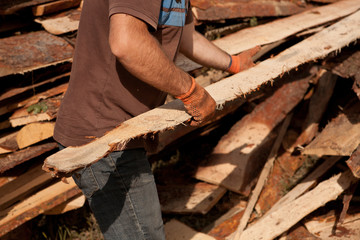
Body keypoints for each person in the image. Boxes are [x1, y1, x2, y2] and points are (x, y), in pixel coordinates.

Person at [53, 0, 258, 239]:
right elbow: (127, 43)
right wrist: (191, 91)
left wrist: (233, 63)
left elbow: (183, 36)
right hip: (102, 136)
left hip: (123, 131)